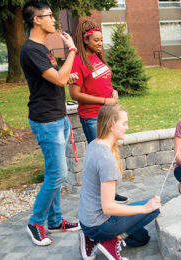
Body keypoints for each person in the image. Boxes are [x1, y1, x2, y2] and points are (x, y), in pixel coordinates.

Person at [20, 2, 80, 246]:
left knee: (54, 172)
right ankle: (35, 222)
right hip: (46, 122)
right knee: (57, 174)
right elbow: (58, 77)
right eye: (49, 16)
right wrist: (72, 51)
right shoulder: (31, 50)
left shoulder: (42, 48)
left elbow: (56, 80)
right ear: (36, 20)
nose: (54, 20)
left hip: (58, 117)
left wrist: (67, 77)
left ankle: (55, 221)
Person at [78, 105, 161, 260]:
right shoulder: (106, 159)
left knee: (142, 238)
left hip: (86, 221)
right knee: (154, 208)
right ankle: (110, 242)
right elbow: (108, 207)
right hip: (98, 224)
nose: (127, 127)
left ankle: (91, 239)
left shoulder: (94, 144)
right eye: (124, 123)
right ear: (111, 125)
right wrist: (144, 208)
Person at [70, 17, 128, 204]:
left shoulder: (98, 58)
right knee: (101, 158)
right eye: (96, 40)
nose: (100, 43)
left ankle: (110, 192)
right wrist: (105, 100)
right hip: (92, 117)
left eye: (101, 40)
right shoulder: (78, 62)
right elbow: (75, 94)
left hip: (107, 114)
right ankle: (101, 197)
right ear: (85, 40)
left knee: (110, 155)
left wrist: (113, 92)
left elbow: (104, 81)